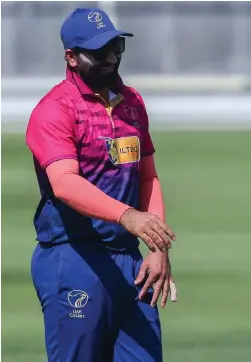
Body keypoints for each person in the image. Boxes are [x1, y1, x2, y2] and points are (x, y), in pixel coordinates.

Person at [25, 8, 178, 362]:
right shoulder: (55, 109)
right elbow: (64, 183)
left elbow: (147, 176)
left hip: (129, 260)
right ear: (71, 58)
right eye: (98, 52)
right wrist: (127, 216)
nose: (111, 58)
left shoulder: (133, 103)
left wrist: (157, 247)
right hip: (74, 256)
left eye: (117, 46)